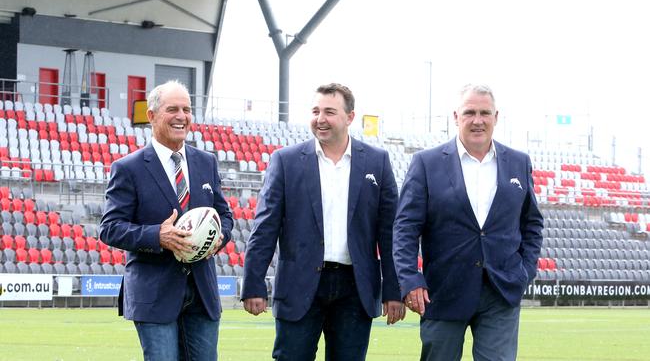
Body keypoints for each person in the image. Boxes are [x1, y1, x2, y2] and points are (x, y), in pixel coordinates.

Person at [241, 83, 405, 360]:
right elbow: (264, 228)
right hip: (298, 284)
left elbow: (389, 233)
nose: (320, 119)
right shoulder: (285, 160)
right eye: (315, 111)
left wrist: (394, 290)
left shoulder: (377, 161)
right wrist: (253, 283)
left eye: (329, 111)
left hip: (355, 288)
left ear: (350, 117)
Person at [392, 84, 543, 361]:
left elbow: (532, 224)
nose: (477, 120)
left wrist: (525, 270)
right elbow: (405, 228)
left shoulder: (519, 162)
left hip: (501, 288)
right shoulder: (426, 163)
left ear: (496, 117)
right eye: (469, 112)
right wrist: (410, 278)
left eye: (485, 113)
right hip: (443, 290)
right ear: (456, 117)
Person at [100, 80, 233, 360]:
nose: (182, 116)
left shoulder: (206, 162)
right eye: (172, 109)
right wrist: (157, 236)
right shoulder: (128, 168)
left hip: (202, 292)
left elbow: (225, 215)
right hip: (154, 292)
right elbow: (110, 228)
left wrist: (217, 238)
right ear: (151, 116)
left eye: (187, 109)